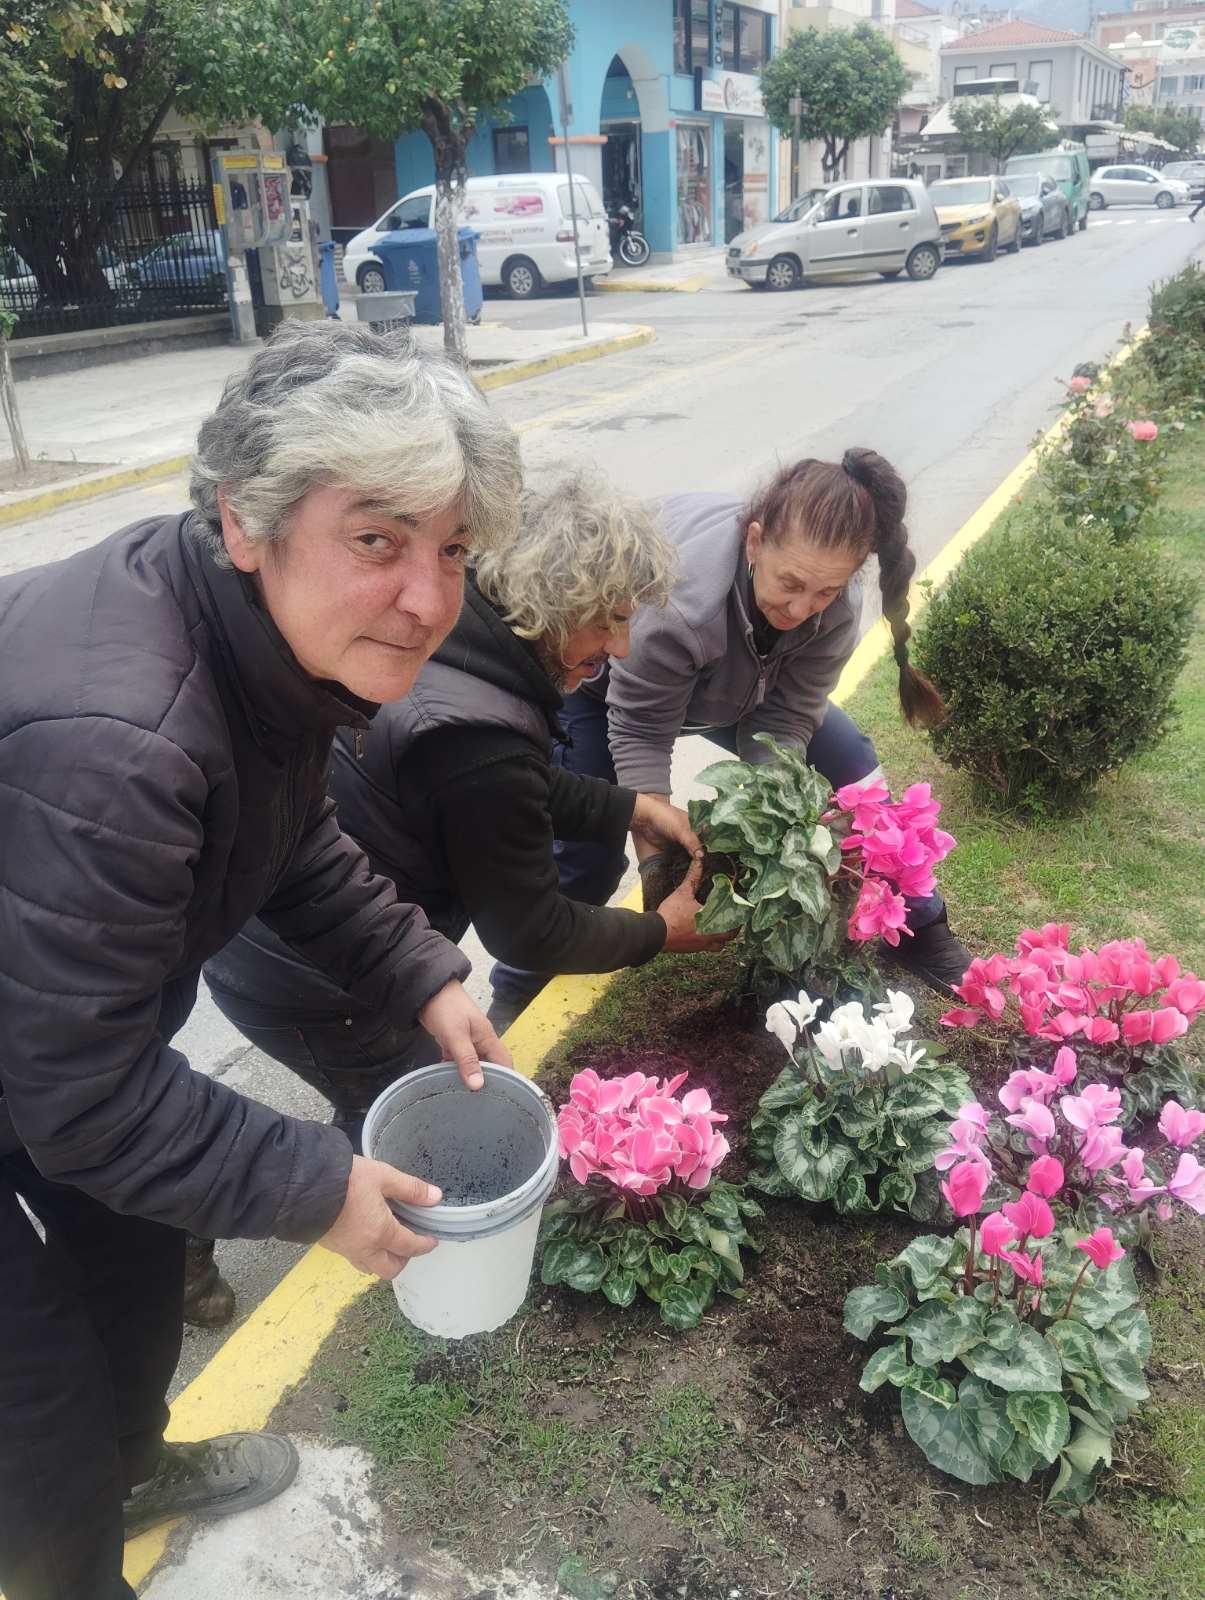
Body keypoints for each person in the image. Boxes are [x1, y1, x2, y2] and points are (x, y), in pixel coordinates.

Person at [0, 319, 522, 1600]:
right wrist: (318, 1183)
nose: (429, 599)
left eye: (452, 549)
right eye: (377, 540)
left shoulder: (254, 639)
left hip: (49, 1023)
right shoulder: (125, 738)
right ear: (245, 518)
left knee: (133, 1267)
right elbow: (83, 1096)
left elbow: (279, 837)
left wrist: (420, 969)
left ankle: (135, 1470)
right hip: (51, 1057)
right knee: (34, 1422)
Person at [203, 470, 727, 1153]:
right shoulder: (477, 734)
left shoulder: (465, 639)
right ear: (555, 604)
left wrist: (631, 809)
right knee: (429, 1131)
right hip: (312, 977)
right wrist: (659, 931)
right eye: (609, 621)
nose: (620, 648)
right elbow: (531, 933)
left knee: (387, 1099)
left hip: (286, 931)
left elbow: (513, 787)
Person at [489, 449, 972, 1026]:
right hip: (605, 686)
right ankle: (517, 991)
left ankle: (923, 925)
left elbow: (787, 721)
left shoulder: (834, 609)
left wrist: (774, 823)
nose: (802, 608)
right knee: (588, 851)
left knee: (856, 772)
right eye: (790, 583)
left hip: (745, 687)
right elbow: (642, 729)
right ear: (755, 541)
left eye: (823, 591)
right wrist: (659, 873)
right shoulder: (680, 606)